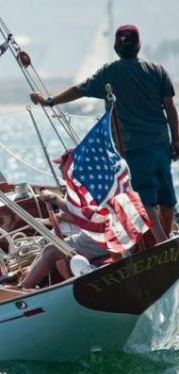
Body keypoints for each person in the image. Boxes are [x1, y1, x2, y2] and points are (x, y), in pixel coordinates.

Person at [30, 24, 178, 243]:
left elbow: (80, 89)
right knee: (167, 199)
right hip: (161, 146)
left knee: (144, 200)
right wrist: (177, 140)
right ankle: (168, 240)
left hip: (135, 149)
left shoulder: (110, 72)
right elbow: (170, 107)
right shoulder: (157, 70)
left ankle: (163, 245)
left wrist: (49, 101)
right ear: (138, 46)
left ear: (117, 48)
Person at [20, 190, 108, 290]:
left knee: (53, 252)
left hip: (101, 235)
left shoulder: (86, 187)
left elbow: (80, 215)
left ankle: (23, 290)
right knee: (49, 249)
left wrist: (53, 198)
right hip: (94, 233)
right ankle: (26, 281)